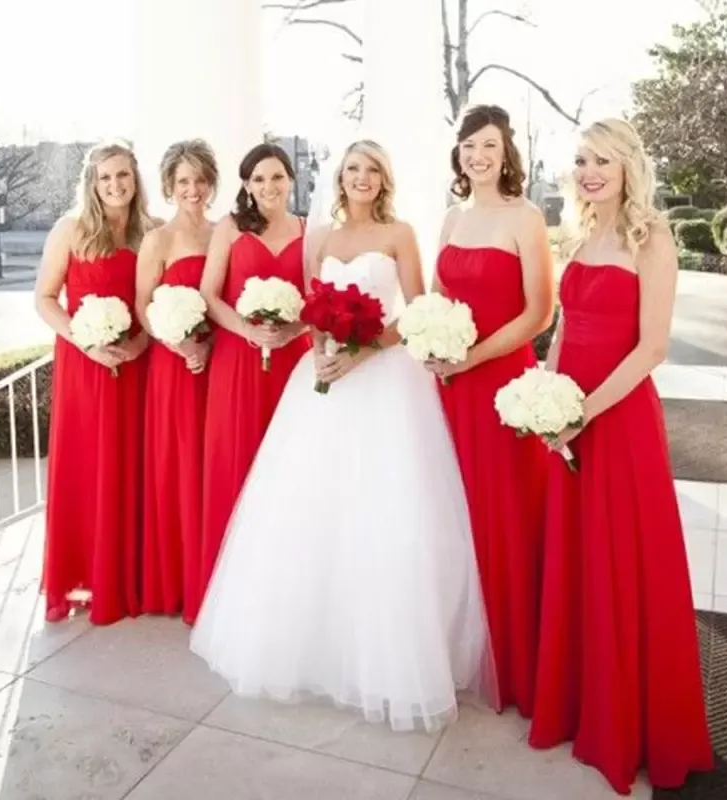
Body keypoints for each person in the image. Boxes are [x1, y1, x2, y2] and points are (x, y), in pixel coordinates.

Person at [190, 140, 496, 731]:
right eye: (352, 169)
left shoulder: (402, 233)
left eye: (372, 170)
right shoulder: (320, 237)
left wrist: (361, 353)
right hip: (323, 381)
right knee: (311, 512)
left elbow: (414, 310)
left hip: (386, 383)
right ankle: (315, 649)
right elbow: (313, 306)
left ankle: (387, 660)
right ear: (340, 177)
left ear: (385, 179)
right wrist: (325, 350)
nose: (361, 178)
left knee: (385, 512)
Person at [528, 118, 713, 794]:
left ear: (630, 166)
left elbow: (652, 349)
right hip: (567, 420)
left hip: (618, 419)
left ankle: (627, 721)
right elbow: (563, 328)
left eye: (603, 159)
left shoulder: (651, 238)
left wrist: (582, 414)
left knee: (623, 561)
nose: (590, 170)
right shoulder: (578, 235)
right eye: (581, 159)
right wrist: (546, 398)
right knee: (578, 558)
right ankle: (580, 705)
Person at [429, 104, 553, 717]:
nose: (479, 155)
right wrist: (433, 342)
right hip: (447, 385)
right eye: (469, 145)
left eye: (490, 145)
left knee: (504, 508)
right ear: (459, 154)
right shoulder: (452, 217)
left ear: (507, 154)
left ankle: (513, 652)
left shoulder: (525, 217)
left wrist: (472, 357)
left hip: (502, 383)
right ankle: (458, 647)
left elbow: (539, 313)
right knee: (452, 511)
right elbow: (437, 298)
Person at [35, 140, 154, 624]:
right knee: (87, 464)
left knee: (132, 465)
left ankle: (130, 576)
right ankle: (85, 575)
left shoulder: (151, 232)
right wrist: (84, 342)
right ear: (92, 183)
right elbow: (45, 298)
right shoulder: (71, 230)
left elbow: (158, 301)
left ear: (135, 178)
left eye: (122, 175)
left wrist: (140, 345)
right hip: (84, 365)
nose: (115, 185)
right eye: (105, 177)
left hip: (136, 363)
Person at [193, 143, 309, 623]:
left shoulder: (308, 230)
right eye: (259, 179)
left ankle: (289, 590)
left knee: (293, 472)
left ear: (291, 180)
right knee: (237, 462)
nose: (269, 187)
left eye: (277, 177)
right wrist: (247, 330)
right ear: (246, 185)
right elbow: (209, 293)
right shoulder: (230, 228)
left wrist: (294, 330)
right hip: (238, 362)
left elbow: (317, 297)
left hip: (292, 363)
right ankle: (231, 596)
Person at [136, 139, 218, 623]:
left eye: (200, 179)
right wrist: (179, 343)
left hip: (220, 360)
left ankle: (216, 576)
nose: (193, 189)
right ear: (169, 186)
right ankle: (182, 582)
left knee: (216, 463)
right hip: (175, 365)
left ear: (212, 182)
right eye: (183, 181)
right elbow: (144, 306)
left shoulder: (224, 232)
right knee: (181, 466)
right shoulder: (158, 240)